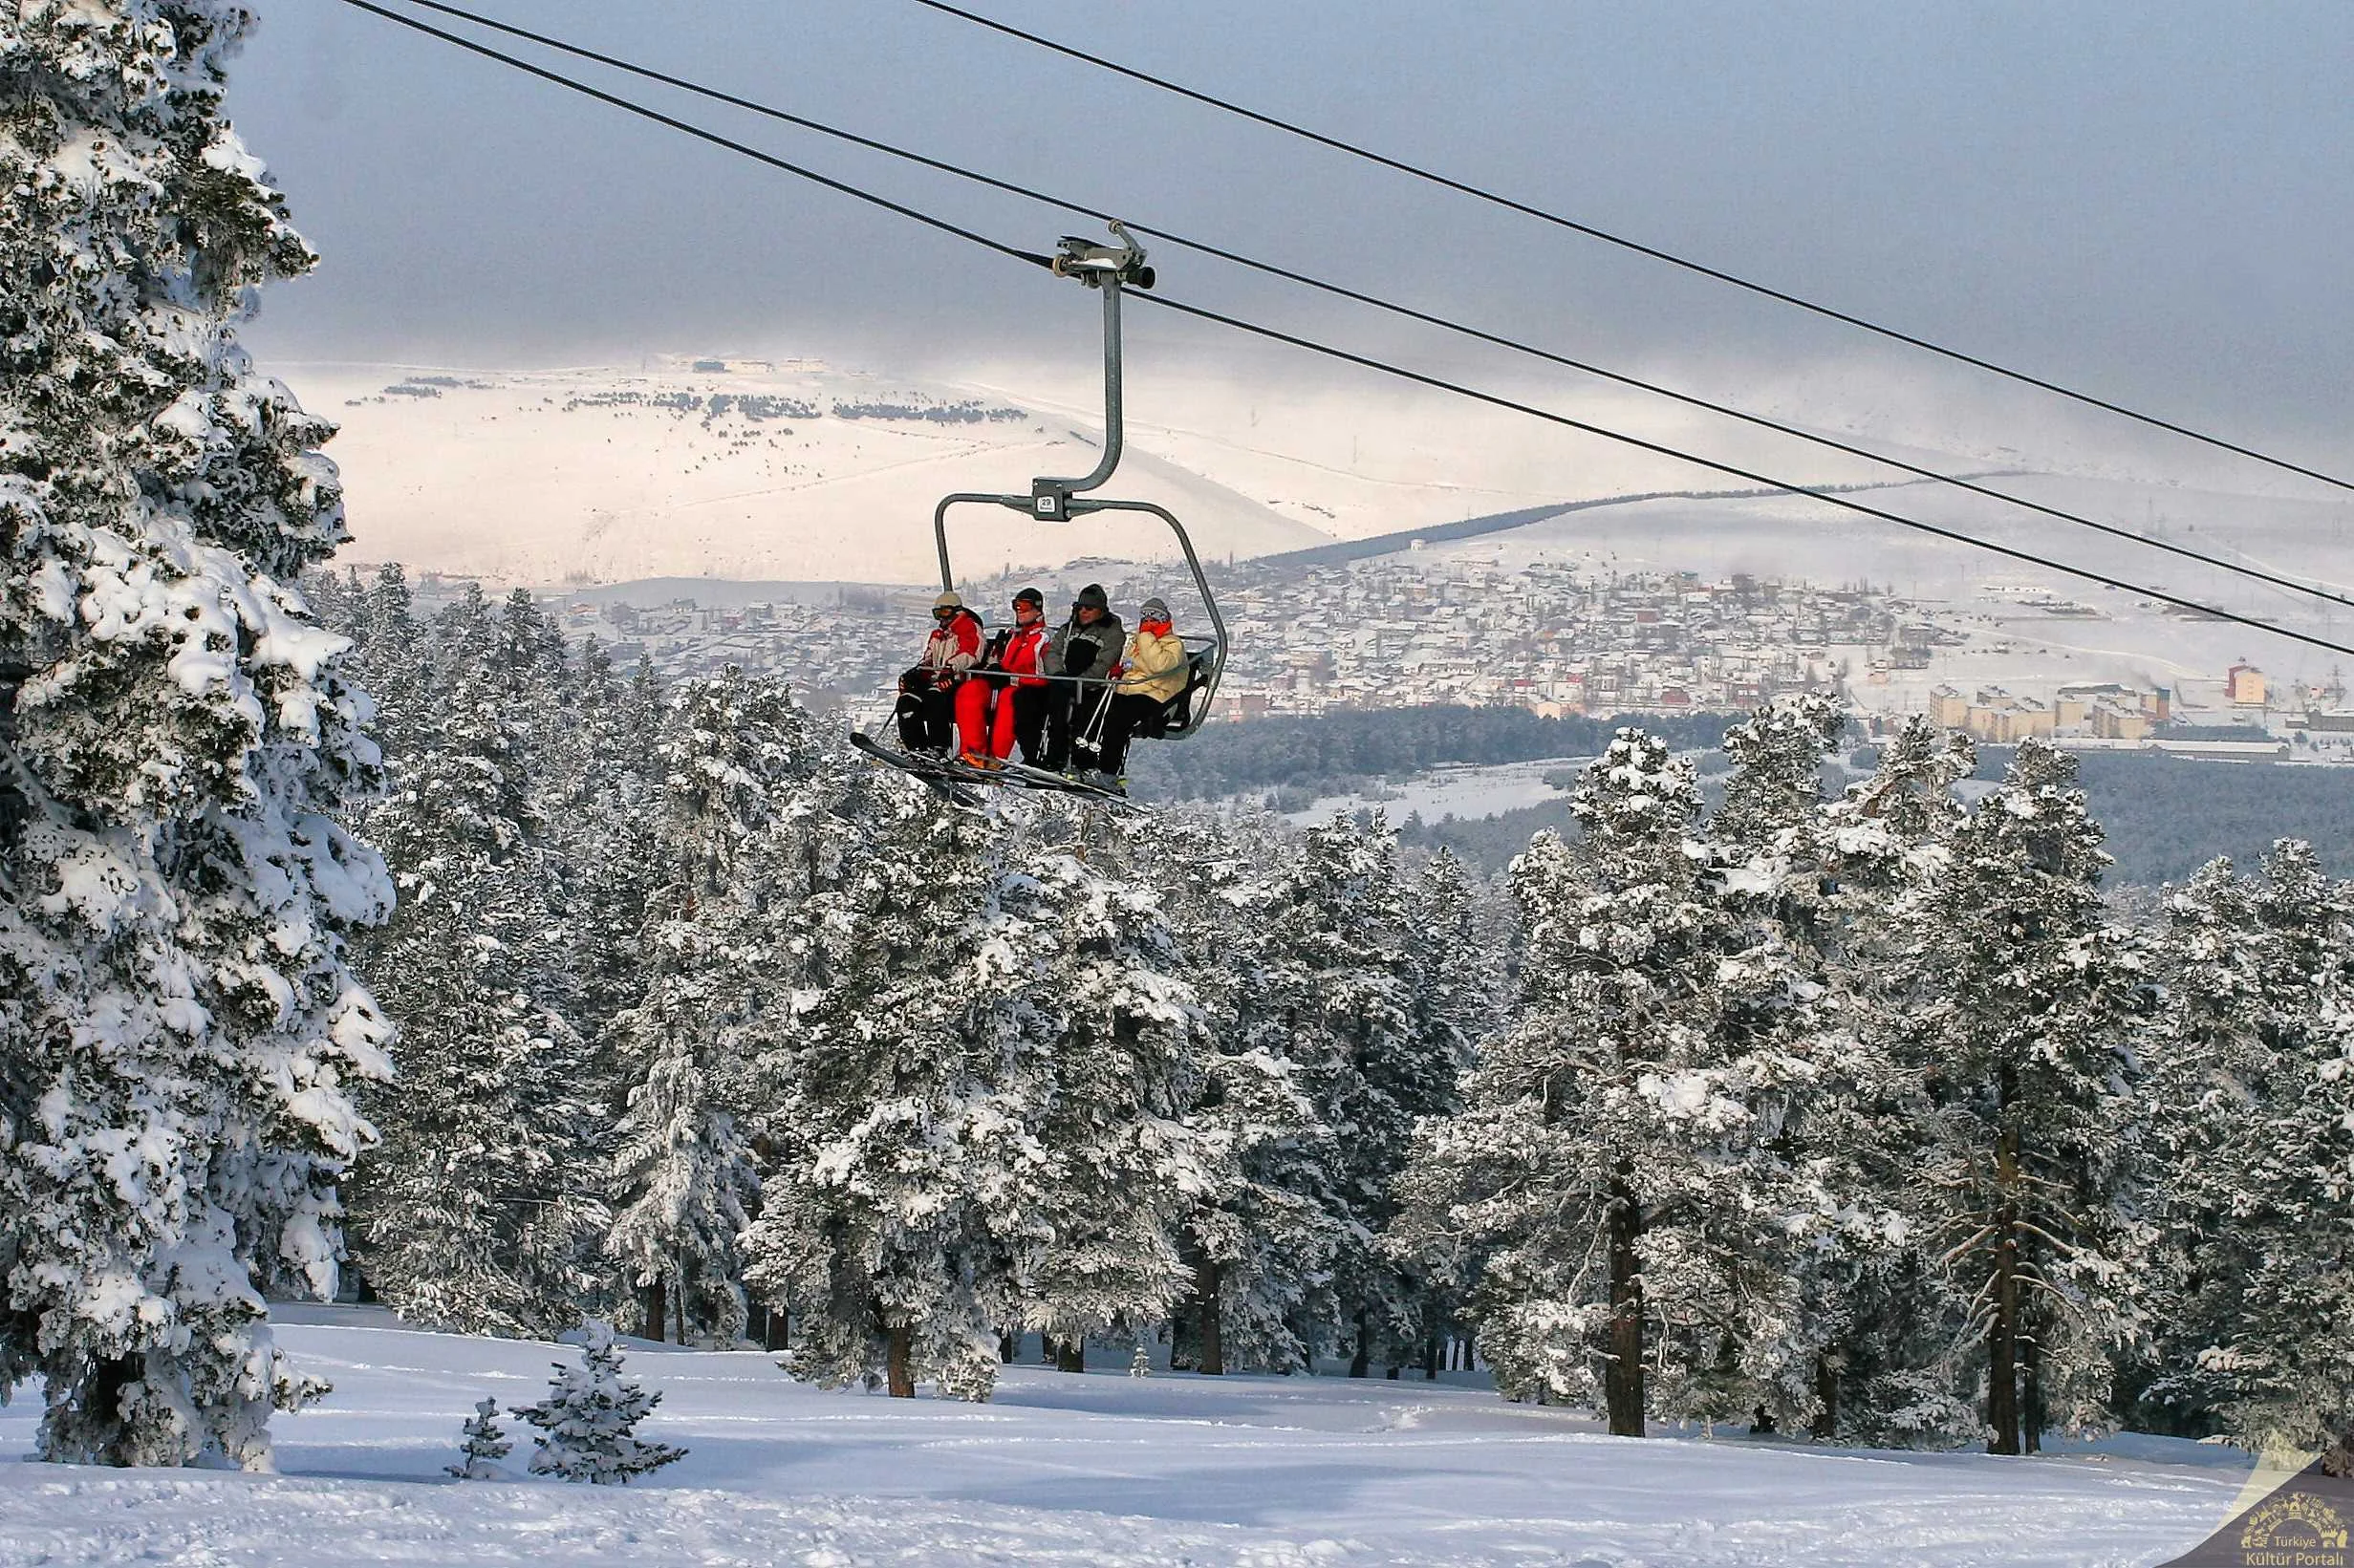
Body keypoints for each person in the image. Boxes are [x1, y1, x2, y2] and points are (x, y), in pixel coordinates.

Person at [1095, 595, 1189, 790]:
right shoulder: (1137, 645)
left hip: (1155, 696)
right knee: (1093, 707)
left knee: (1118, 721)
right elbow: (1128, 665)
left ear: (1164, 621)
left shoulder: (1173, 645)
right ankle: (1083, 763)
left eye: (1154, 619)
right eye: (1144, 619)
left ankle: (1110, 773)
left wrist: (1146, 637)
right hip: (1128, 690)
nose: (1148, 624)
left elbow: (1158, 665)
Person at [952, 587, 1052, 766]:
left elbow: (1045, 676)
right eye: (1016, 606)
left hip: (1025, 689)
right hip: (1002, 684)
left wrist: (1011, 679)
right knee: (970, 690)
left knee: (1009, 698)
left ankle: (996, 759)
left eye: (1024, 606)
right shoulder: (1013, 636)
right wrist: (994, 668)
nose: (1019, 611)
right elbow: (1002, 663)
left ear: (1038, 609)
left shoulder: (1044, 639)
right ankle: (974, 752)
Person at [1041, 583, 1122, 774]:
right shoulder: (1068, 629)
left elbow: (1105, 663)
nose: (1083, 612)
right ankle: (1053, 757)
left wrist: (1082, 681)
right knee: (1054, 709)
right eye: (1080, 608)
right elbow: (1052, 653)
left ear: (1101, 611)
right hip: (1064, 683)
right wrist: (1059, 674)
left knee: (1085, 717)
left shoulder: (1112, 633)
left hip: (1091, 688)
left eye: (1089, 608)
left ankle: (1083, 764)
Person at [895, 590, 982, 753]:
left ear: (957, 611)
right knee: (906, 701)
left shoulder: (969, 628)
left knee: (935, 698)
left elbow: (970, 654)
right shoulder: (937, 635)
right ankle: (915, 746)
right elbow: (929, 658)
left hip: (958, 680)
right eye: (937, 613)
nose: (941, 617)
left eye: (945, 611)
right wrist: (918, 672)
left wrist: (951, 668)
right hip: (936, 680)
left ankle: (940, 747)